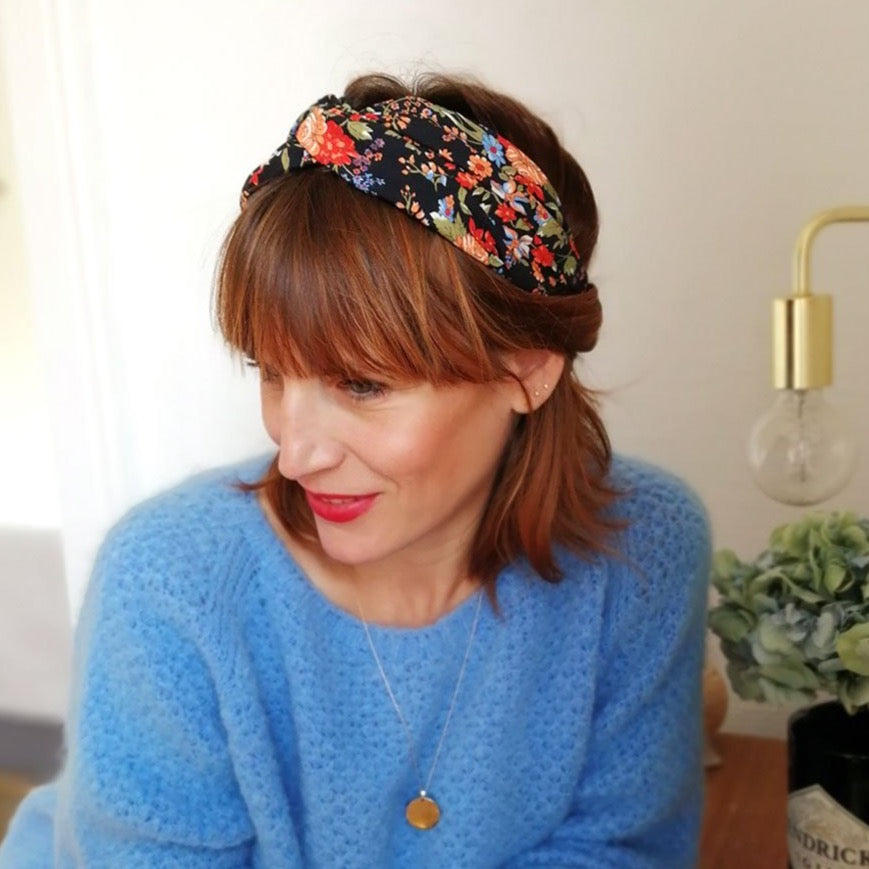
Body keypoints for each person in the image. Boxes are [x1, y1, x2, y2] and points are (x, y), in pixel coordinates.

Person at [0, 72, 710, 868]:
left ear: (527, 370)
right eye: (271, 372)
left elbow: (618, 849)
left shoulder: (641, 550)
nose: (294, 453)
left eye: (362, 385)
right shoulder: (169, 579)